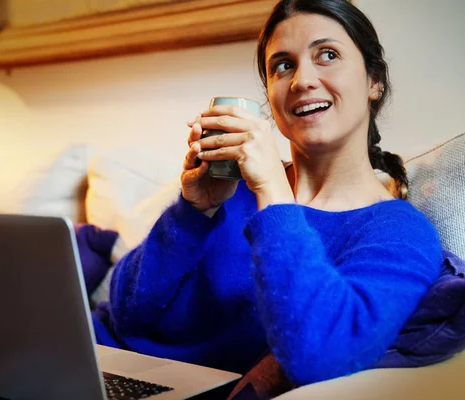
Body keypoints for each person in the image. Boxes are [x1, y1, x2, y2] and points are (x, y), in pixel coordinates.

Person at [92, 0, 443, 389]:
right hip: (96, 355)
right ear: (270, 98)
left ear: (374, 81)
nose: (301, 80)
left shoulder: (398, 231)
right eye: (283, 65)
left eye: (327, 55)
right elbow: (125, 313)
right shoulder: (228, 191)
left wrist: (273, 192)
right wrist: (193, 211)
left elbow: (319, 359)